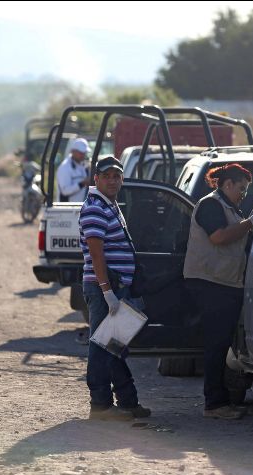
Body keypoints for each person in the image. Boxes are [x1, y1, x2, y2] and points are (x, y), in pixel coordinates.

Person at [183, 163, 253, 420]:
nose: (243, 194)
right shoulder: (211, 205)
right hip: (211, 283)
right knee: (216, 345)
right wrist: (250, 223)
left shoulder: (229, 207)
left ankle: (219, 400)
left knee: (221, 344)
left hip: (225, 283)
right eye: (242, 188)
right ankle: (214, 404)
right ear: (227, 184)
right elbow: (219, 237)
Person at [79, 156, 151, 421]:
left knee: (114, 346)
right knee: (102, 346)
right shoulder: (95, 207)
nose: (112, 180)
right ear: (95, 178)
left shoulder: (109, 205)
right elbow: (97, 254)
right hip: (105, 289)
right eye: (107, 175)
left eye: (117, 176)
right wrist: (107, 291)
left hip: (117, 287)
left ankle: (127, 401)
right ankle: (100, 405)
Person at [56, 138, 90, 203]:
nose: (83, 155)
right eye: (80, 153)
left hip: (79, 207)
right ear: (73, 151)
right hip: (67, 210)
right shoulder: (65, 167)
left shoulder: (82, 164)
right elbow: (65, 191)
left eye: (84, 153)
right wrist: (82, 183)